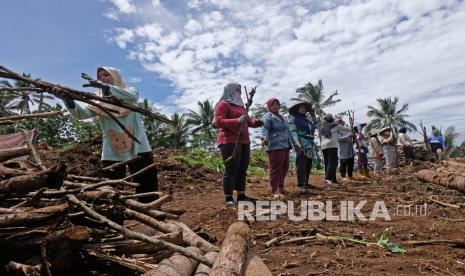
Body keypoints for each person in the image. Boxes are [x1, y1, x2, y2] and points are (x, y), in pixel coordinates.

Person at [62, 67, 158, 202]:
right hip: (111, 149)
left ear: (116, 77)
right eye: (99, 76)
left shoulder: (130, 92)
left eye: (106, 75)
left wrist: (108, 89)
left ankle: (150, 208)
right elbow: (81, 114)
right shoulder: (97, 101)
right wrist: (68, 101)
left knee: (146, 180)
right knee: (113, 185)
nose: (102, 78)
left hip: (138, 146)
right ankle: (116, 212)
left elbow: (131, 96)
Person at [214, 83, 263, 207]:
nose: (240, 92)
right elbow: (218, 121)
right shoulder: (223, 104)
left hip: (244, 140)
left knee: (242, 168)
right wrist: (236, 120)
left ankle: (241, 196)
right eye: (237, 90)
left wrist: (255, 122)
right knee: (231, 169)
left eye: (240, 90)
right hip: (229, 141)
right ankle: (228, 198)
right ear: (229, 90)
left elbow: (248, 120)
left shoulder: (241, 107)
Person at [261, 98, 291, 199]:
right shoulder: (267, 116)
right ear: (269, 106)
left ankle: (281, 186)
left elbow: (288, 130)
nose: (275, 106)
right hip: (274, 145)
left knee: (284, 167)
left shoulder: (283, 117)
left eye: (277, 104)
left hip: (285, 145)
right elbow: (265, 128)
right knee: (275, 168)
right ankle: (275, 190)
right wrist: (264, 137)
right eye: (273, 104)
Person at [288, 102, 317, 188]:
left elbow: (314, 127)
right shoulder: (294, 119)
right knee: (301, 162)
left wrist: (314, 116)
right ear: (297, 109)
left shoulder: (307, 120)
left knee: (308, 162)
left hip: (309, 143)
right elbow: (292, 130)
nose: (303, 109)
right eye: (301, 108)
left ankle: (306, 181)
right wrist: (296, 141)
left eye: (304, 108)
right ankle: (301, 182)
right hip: (300, 141)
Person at [320, 113, 351, 184]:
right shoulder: (336, 126)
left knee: (327, 162)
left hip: (323, 146)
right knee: (333, 162)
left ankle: (332, 179)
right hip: (332, 145)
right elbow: (346, 129)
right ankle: (328, 178)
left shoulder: (322, 127)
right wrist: (352, 129)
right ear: (332, 119)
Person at [336, 116, 355, 181]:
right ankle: (343, 176)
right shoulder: (337, 131)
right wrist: (348, 136)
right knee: (343, 164)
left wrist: (353, 135)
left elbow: (352, 136)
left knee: (351, 163)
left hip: (350, 148)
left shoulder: (347, 129)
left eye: (341, 122)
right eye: (339, 122)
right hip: (343, 150)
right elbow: (339, 139)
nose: (341, 123)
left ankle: (350, 175)